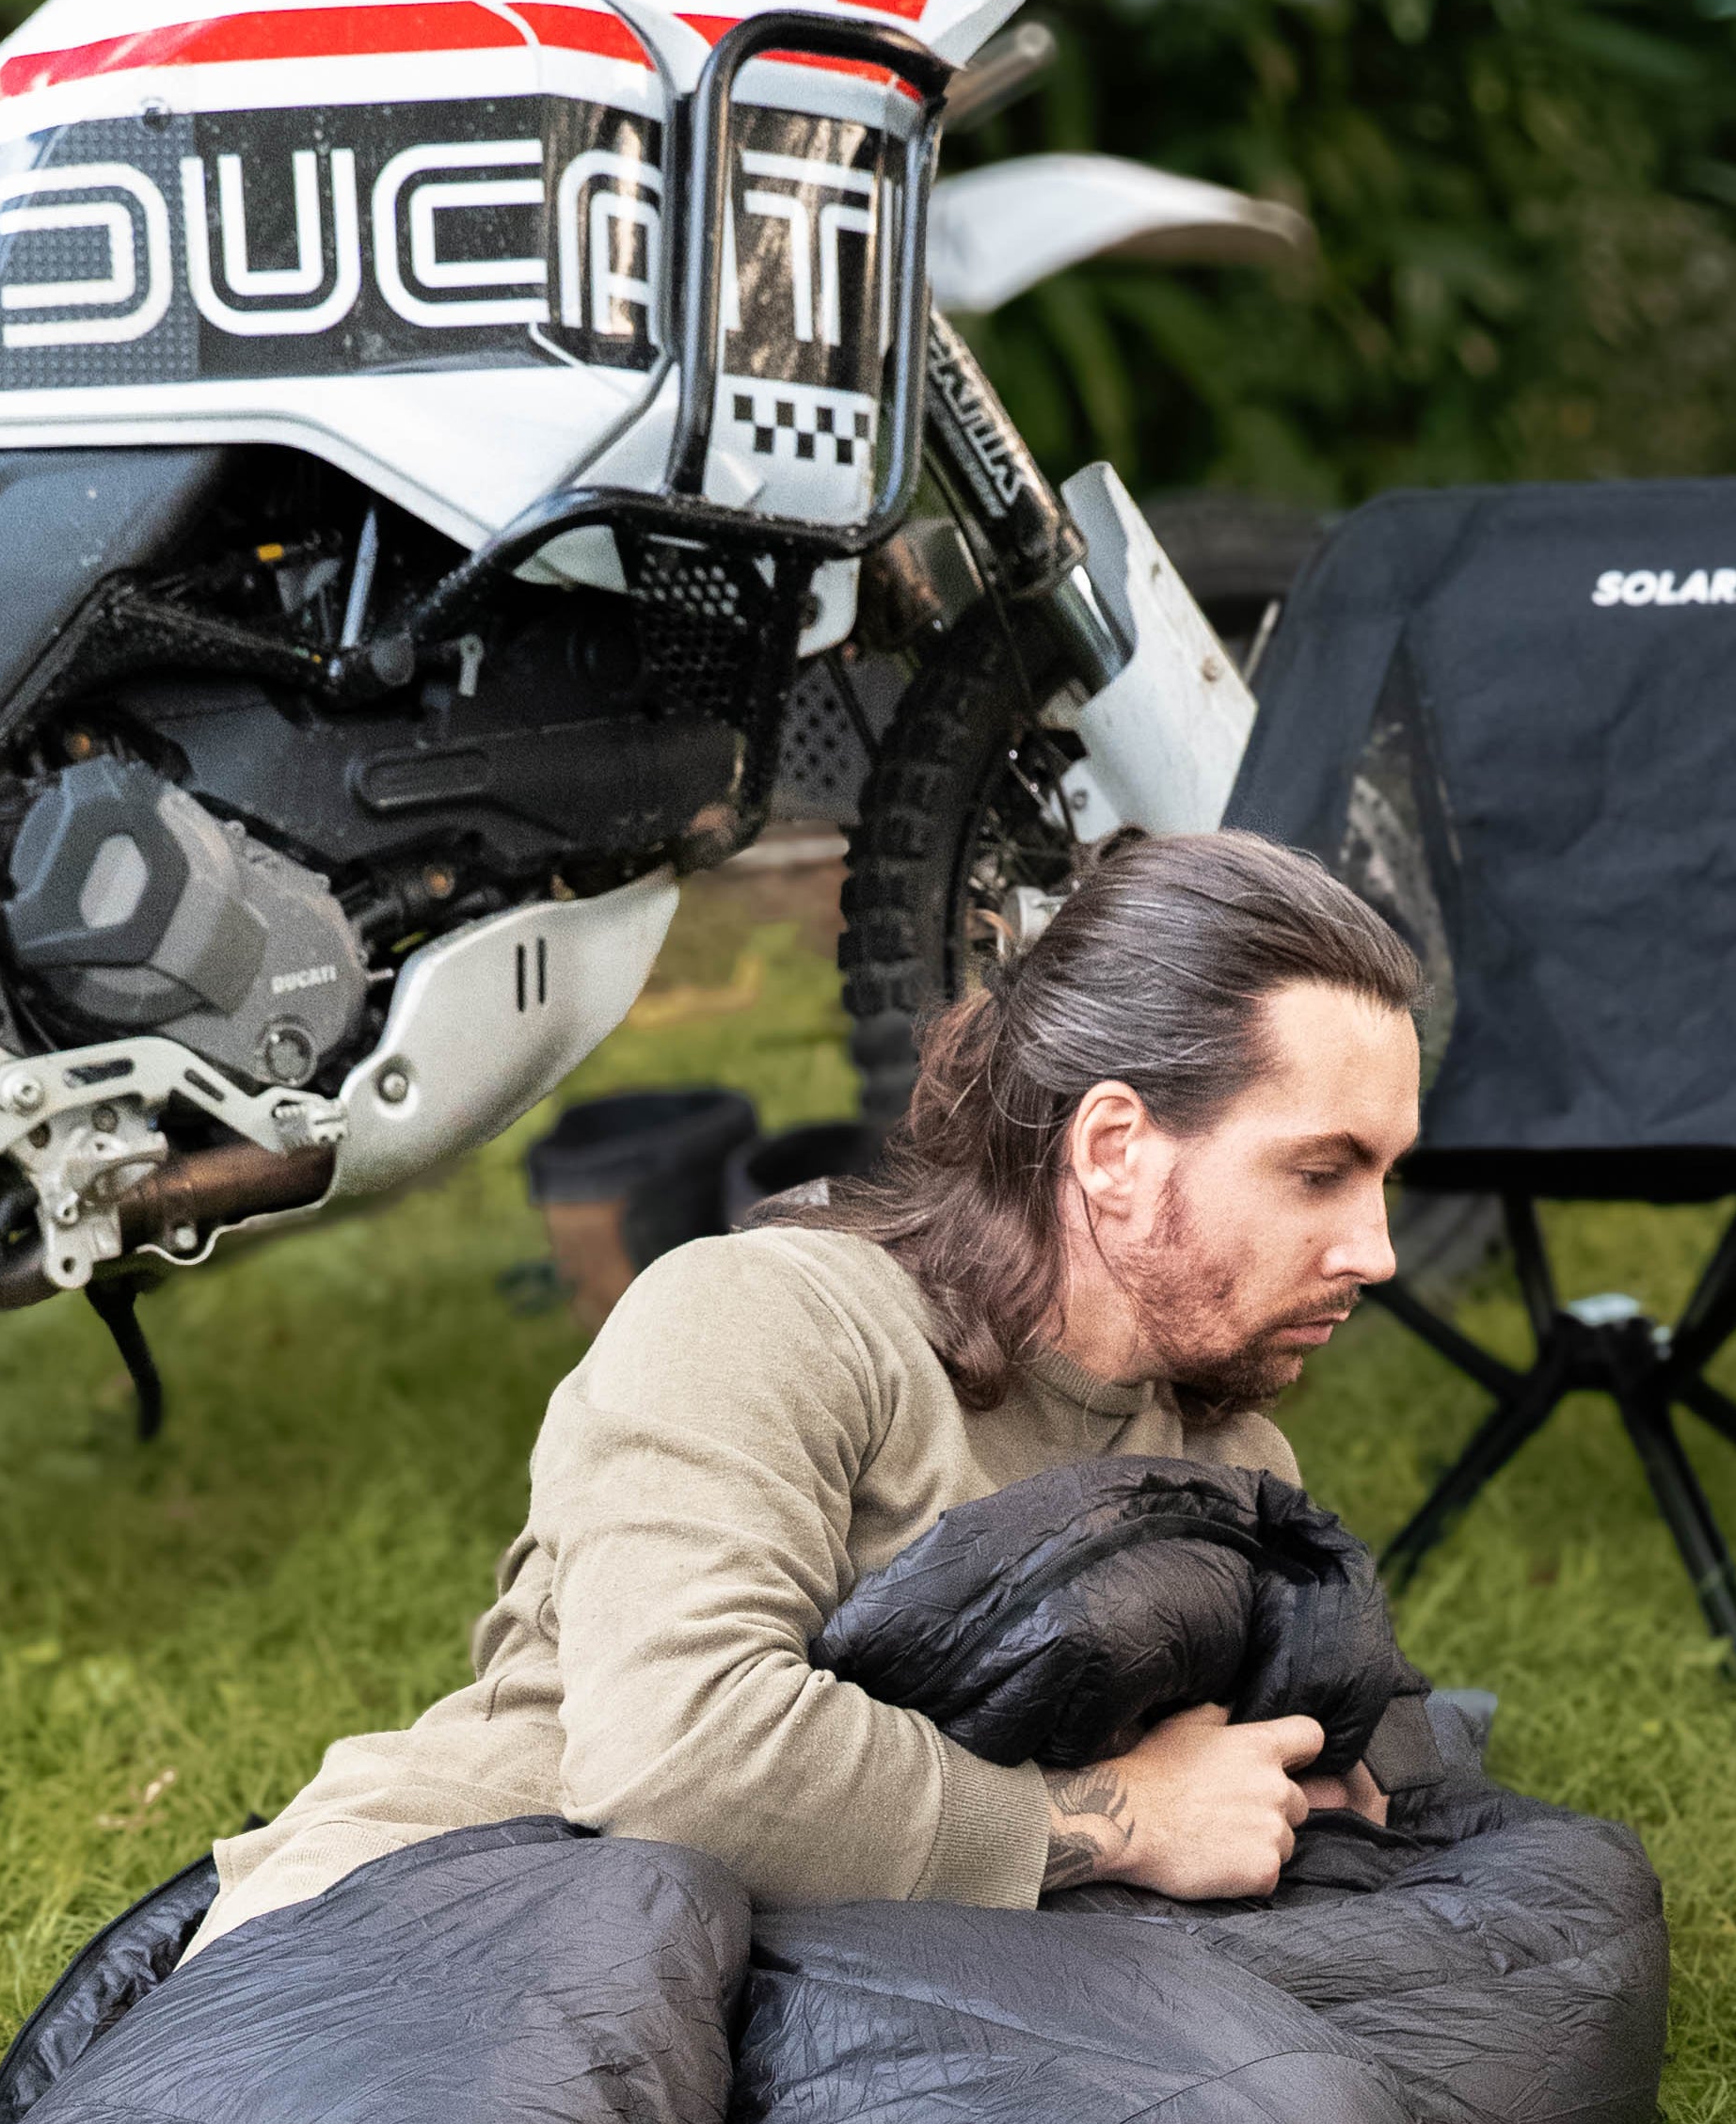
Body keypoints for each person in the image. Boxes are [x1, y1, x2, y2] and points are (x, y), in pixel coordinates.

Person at [190, 829, 1424, 1952]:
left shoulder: (1232, 1470)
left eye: (1386, 1179)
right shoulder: (769, 1321)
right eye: (1322, 1172)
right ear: (1113, 1151)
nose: (1377, 1250)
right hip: (458, 1932)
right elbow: (677, 1753)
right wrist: (1120, 1819)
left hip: (850, 1995)